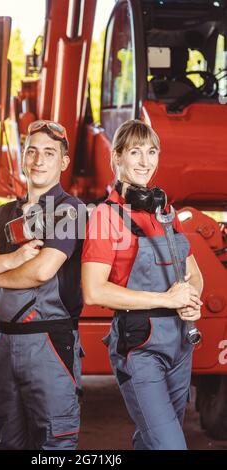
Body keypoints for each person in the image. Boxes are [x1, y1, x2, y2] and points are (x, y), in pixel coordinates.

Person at [0, 120, 86, 450]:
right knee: (9, 441)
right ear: (23, 158)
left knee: (54, 444)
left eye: (49, 153)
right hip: (3, 344)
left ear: (63, 162)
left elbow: (41, 271)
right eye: (32, 152)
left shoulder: (71, 211)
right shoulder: (4, 214)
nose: (39, 160)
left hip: (49, 342)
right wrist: (12, 261)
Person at [81, 119, 203, 450]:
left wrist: (192, 298)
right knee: (169, 445)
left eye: (152, 152)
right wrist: (167, 299)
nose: (145, 161)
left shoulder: (166, 212)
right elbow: (94, 291)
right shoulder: (106, 218)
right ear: (116, 157)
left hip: (180, 343)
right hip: (140, 345)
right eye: (135, 152)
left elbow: (194, 273)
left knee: (153, 441)